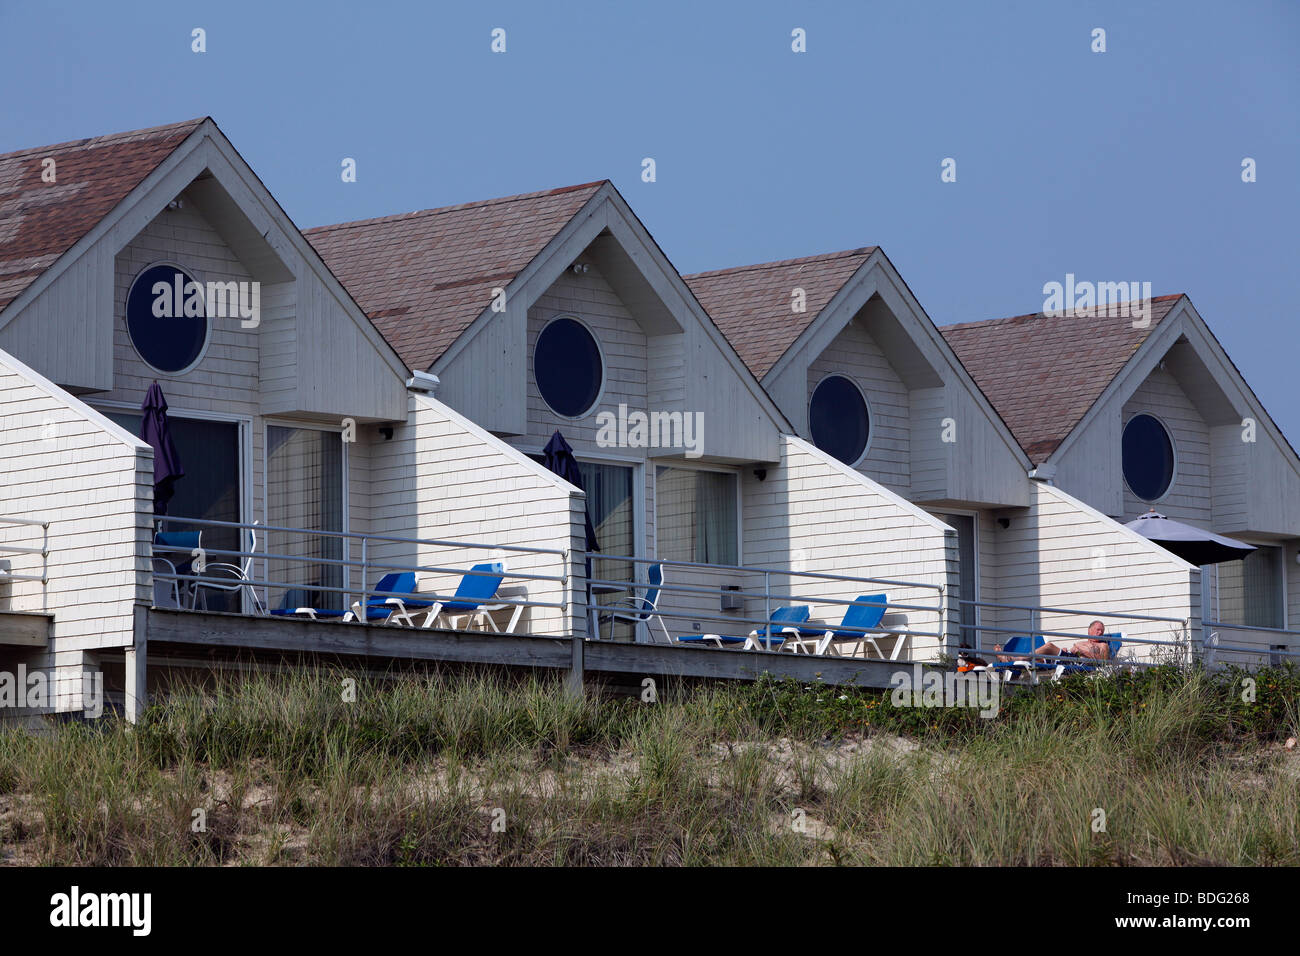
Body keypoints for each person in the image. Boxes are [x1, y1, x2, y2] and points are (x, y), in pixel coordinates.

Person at [1037, 620, 1111, 661]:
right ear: (1089, 630)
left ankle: (1026, 658)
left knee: (1049, 646)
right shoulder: (1081, 643)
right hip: (1069, 658)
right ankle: (1028, 662)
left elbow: (1103, 660)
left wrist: (1082, 650)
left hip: (1077, 664)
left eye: (1102, 631)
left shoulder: (1103, 645)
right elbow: (1072, 651)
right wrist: (1065, 650)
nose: (1100, 632)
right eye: (1098, 630)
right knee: (1047, 654)